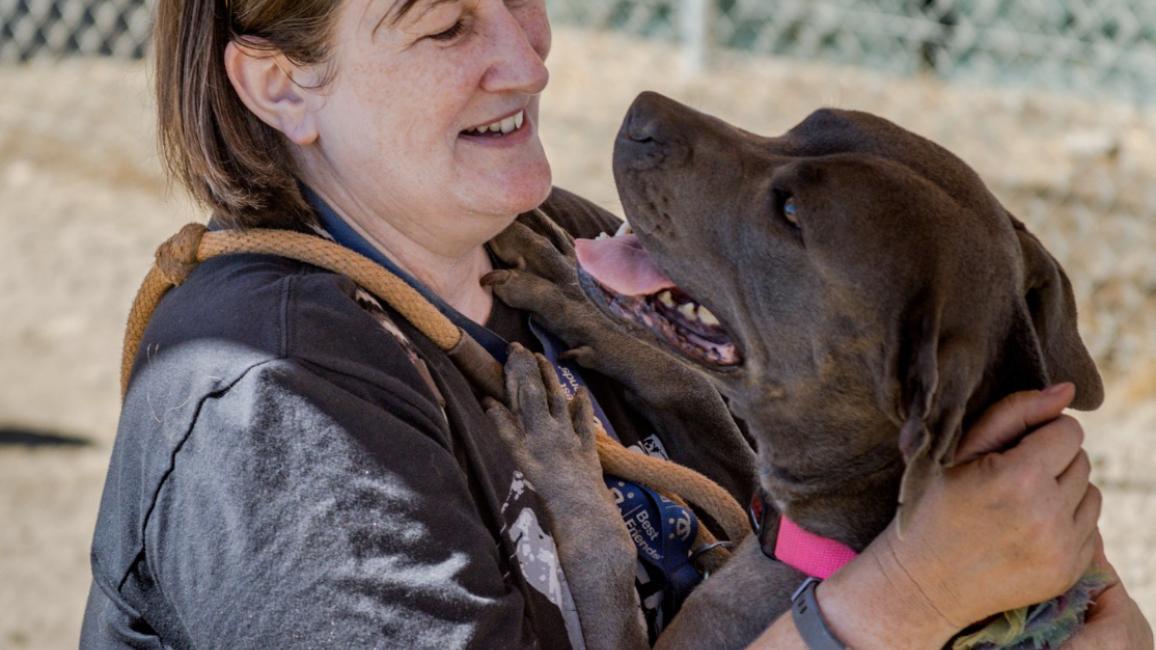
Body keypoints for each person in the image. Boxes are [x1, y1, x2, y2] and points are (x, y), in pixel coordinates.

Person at [81, 0, 1152, 647]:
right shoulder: (274, 411)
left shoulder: (569, 249)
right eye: (448, 23)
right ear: (282, 87)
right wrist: (908, 598)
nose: (528, 53)